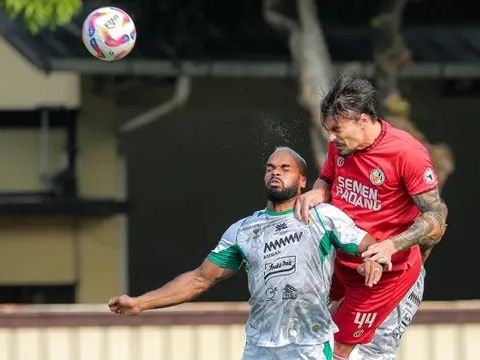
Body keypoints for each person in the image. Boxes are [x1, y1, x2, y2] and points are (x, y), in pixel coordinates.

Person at [108, 147, 389, 360]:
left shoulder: (323, 217)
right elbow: (199, 279)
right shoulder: (243, 230)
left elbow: (369, 245)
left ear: (303, 181)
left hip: (310, 345)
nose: (275, 172)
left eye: (284, 168)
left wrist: (371, 262)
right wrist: (141, 303)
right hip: (259, 347)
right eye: (270, 168)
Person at [294, 76, 448, 360]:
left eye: (337, 129)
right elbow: (327, 178)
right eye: (328, 130)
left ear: (363, 120)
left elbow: (436, 217)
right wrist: (319, 192)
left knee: (348, 351)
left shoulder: (406, 153)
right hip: (342, 264)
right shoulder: (340, 146)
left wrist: (391, 245)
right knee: (300, 330)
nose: (331, 138)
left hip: (386, 276)